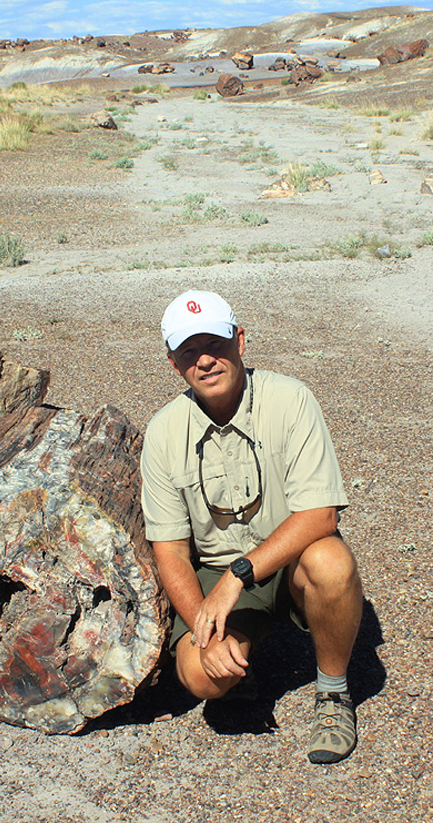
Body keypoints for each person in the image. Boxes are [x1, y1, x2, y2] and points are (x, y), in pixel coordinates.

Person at [140, 290, 364, 764]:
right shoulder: (163, 431)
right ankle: (242, 662)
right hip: (217, 575)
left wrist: (237, 576)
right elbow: (171, 552)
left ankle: (334, 692)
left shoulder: (291, 399)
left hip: (288, 564)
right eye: (188, 352)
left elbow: (321, 515)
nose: (204, 360)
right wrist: (205, 629)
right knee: (204, 677)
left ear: (240, 341)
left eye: (215, 345)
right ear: (173, 363)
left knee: (332, 562)